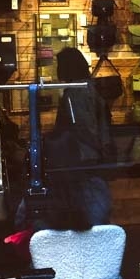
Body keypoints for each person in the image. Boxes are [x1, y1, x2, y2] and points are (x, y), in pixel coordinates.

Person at [29, 47, 114, 231]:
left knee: (87, 201)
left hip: (82, 156)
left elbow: (81, 126)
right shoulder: (90, 87)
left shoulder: (74, 93)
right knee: (95, 198)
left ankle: (93, 235)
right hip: (93, 156)